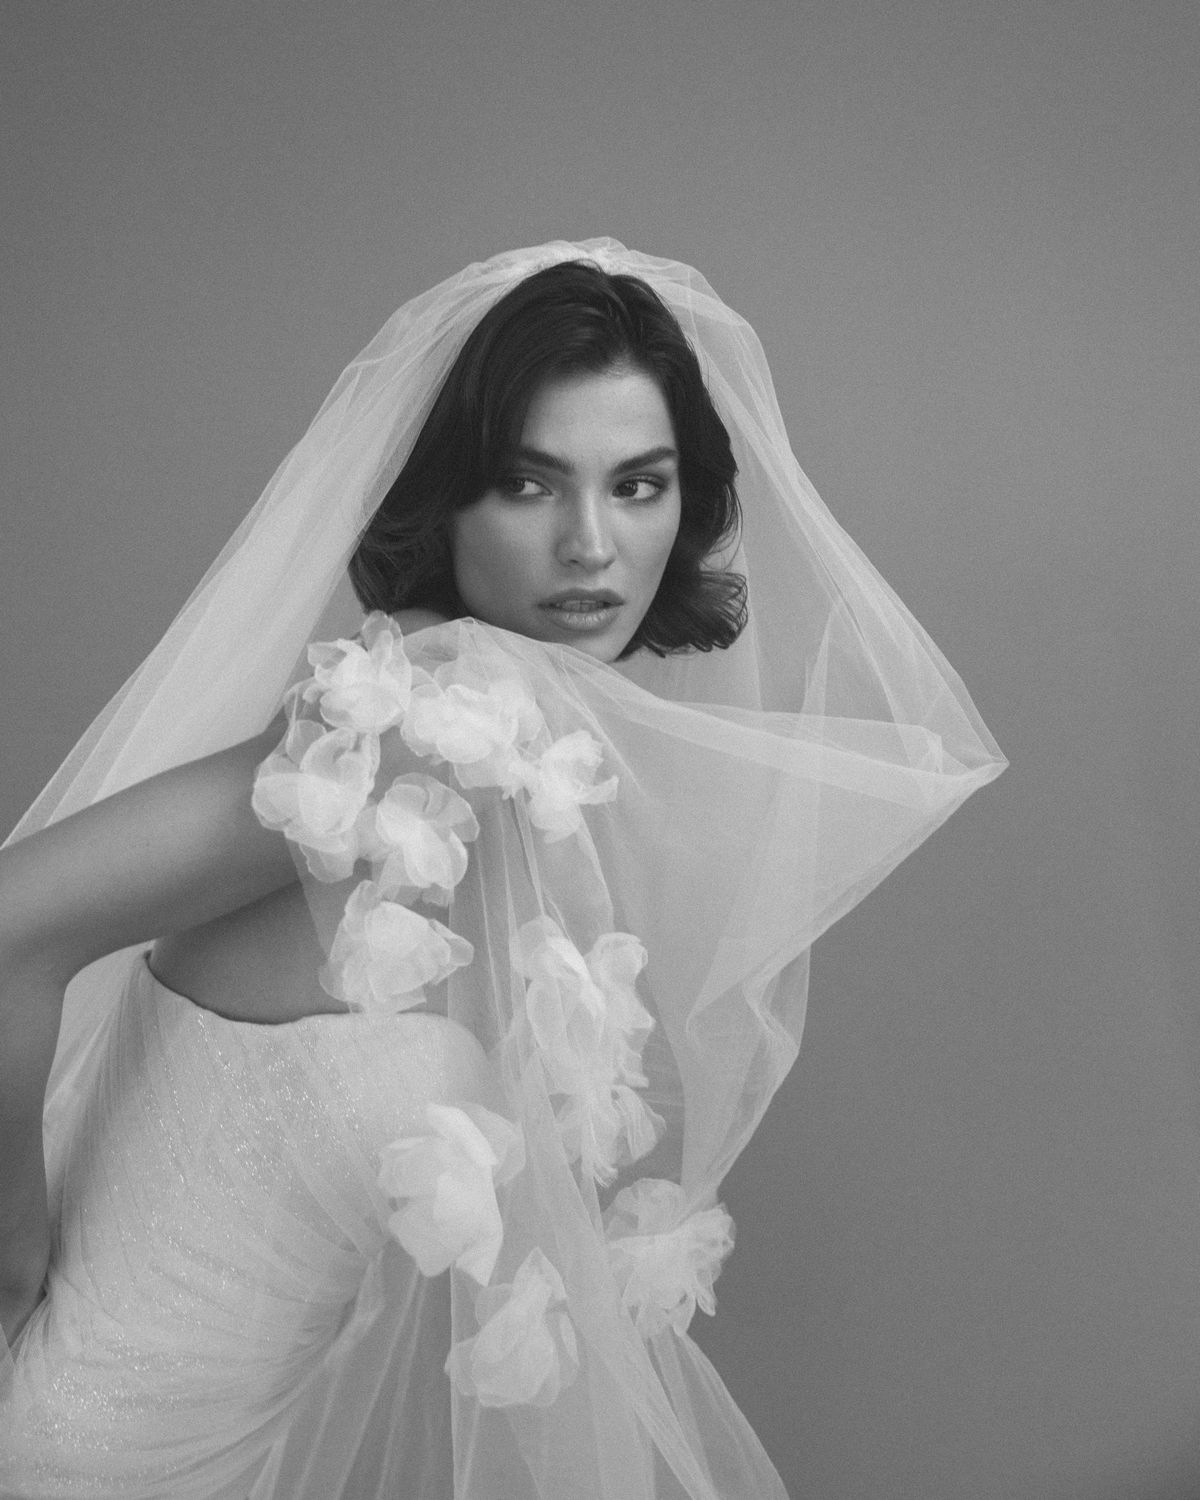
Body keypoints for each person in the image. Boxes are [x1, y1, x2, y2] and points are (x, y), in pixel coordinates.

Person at [0, 240, 1004, 1497]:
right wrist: (11, 1262)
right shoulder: (416, 718)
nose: (591, 544)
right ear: (444, 502)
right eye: (529, 486)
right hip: (84, 1458)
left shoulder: (514, 756)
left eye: (639, 486)